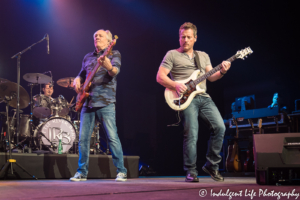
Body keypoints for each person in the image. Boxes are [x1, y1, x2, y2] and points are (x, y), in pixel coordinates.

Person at [156, 22, 231, 182]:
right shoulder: (172, 54)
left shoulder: (203, 55)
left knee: (220, 127)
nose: (185, 40)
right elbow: (160, 77)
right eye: (182, 37)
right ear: (179, 37)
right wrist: (175, 84)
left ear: (195, 38)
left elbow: (211, 76)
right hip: (185, 98)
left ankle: (212, 165)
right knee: (191, 133)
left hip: (203, 96)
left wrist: (222, 71)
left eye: (189, 37)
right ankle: (191, 171)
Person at [70, 29, 127, 182]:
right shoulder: (87, 57)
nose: (97, 38)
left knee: (112, 137)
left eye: (100, 36)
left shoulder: (114, 54)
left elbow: (115, 72)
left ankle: (121, 171)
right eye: (95, 36)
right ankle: (81, 172)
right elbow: (82, 73)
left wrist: (108, 66)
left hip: (106, 101)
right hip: (87, 102)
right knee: (83, 139)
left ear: (109, 41)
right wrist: (77, 79)